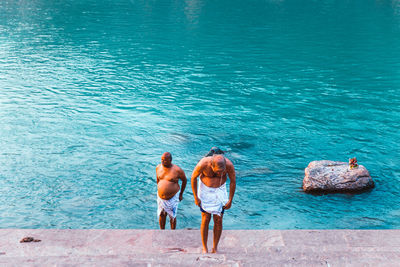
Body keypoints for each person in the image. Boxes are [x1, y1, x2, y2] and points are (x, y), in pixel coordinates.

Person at [191, 148, 236, 253]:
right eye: (218, 171)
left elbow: (233, 181)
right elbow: (193, 178)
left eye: (222, 171)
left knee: (218, 220)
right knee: (205, 218)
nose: (221, 172)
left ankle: (215, 247)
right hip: (205, 191)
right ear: (211, 166)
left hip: (220, 191)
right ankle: (204, 247)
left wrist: (230, 200)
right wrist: (195, 197)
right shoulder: (203, 163)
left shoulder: (229, 165)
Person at [156, 152, 187, 229]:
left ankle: (172, 233)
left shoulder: (177, 170)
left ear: (170, 160)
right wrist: (160, 189)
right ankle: (161, 231)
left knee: (172, 216)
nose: (162, 161)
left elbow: (184, 180)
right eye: (161, 159)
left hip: (172, 198)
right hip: (161, 198)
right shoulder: (158, 167)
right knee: (162, 214)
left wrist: (181, 194)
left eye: (165, 160)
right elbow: (158, 180)